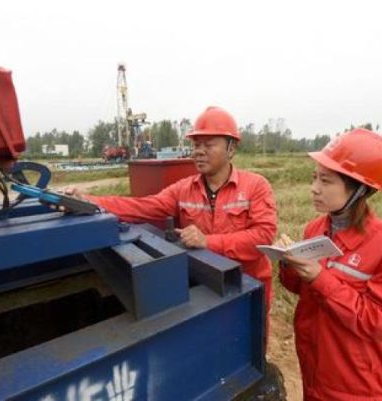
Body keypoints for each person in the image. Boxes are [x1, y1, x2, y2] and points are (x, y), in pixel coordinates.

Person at [68, 106, 277, 320]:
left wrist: (208, 241)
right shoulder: (184, 189)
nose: (199, 151)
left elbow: (263, 237)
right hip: (205, 286)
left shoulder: (255, 186)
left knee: (251, 344)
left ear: (231, 148)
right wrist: (89, 201)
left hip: (248, 286)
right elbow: (144, 207)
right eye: (196, 145)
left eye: (209, 144)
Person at [278, 128, 382, 401]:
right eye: (314, 177)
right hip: (314, 369)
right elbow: (300, 290)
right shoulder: (315, 229)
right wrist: (288, 264)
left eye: (326, 181)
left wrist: (320, 278)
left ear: (359, 188)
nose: (314, 188)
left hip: (359, 386)